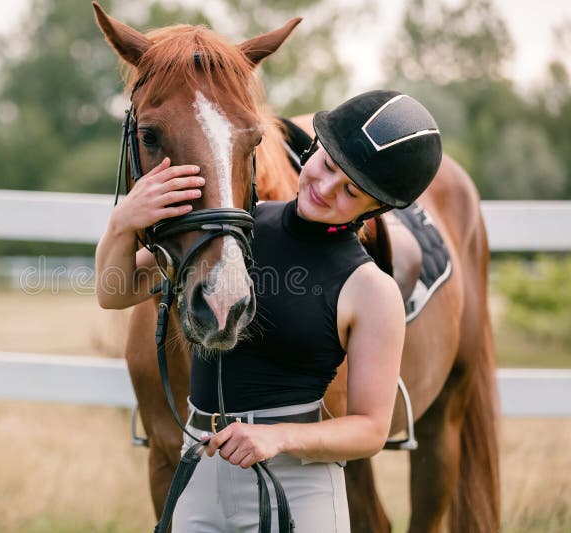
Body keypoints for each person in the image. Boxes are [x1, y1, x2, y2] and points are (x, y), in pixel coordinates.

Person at [95, 90, 442, 532]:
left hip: (296, 486)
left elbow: (371, 430)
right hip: (199, 472)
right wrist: (122, 222)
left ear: (377, 209)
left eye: (351, 191)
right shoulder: (234, 233)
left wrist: (276, 436)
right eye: (328, 165)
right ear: (313, 148)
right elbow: (115, 292)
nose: (325, 187)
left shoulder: (371, 290)